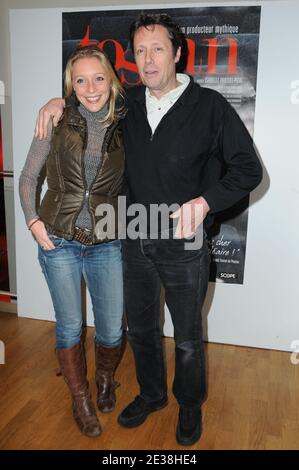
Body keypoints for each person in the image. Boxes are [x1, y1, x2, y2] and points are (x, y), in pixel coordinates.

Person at [34, 13, 263, 446]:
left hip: (185, 242)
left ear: (178, 53)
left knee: (189, 336)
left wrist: (205, 201)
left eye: (158, 49)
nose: (148, 59)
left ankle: (189, 405)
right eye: (140, 51)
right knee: (140, 330)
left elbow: (248, 169)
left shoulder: (210, 106)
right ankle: (153, 394)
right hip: (134, 237)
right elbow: (88, 101)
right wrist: (56, 102)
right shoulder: (128, 103)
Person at [19, 45, 127, 438]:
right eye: (80, 80)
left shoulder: (127, 122)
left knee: (112, 328)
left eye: (98, 77)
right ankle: (80, 397)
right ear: (70, 85)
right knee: (70, 326)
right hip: (59, 241)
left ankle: (104, 380)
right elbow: (29, 177)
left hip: (107, 241)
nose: (91, 87)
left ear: (111, 79)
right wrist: (33, 221)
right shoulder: (56, 119)